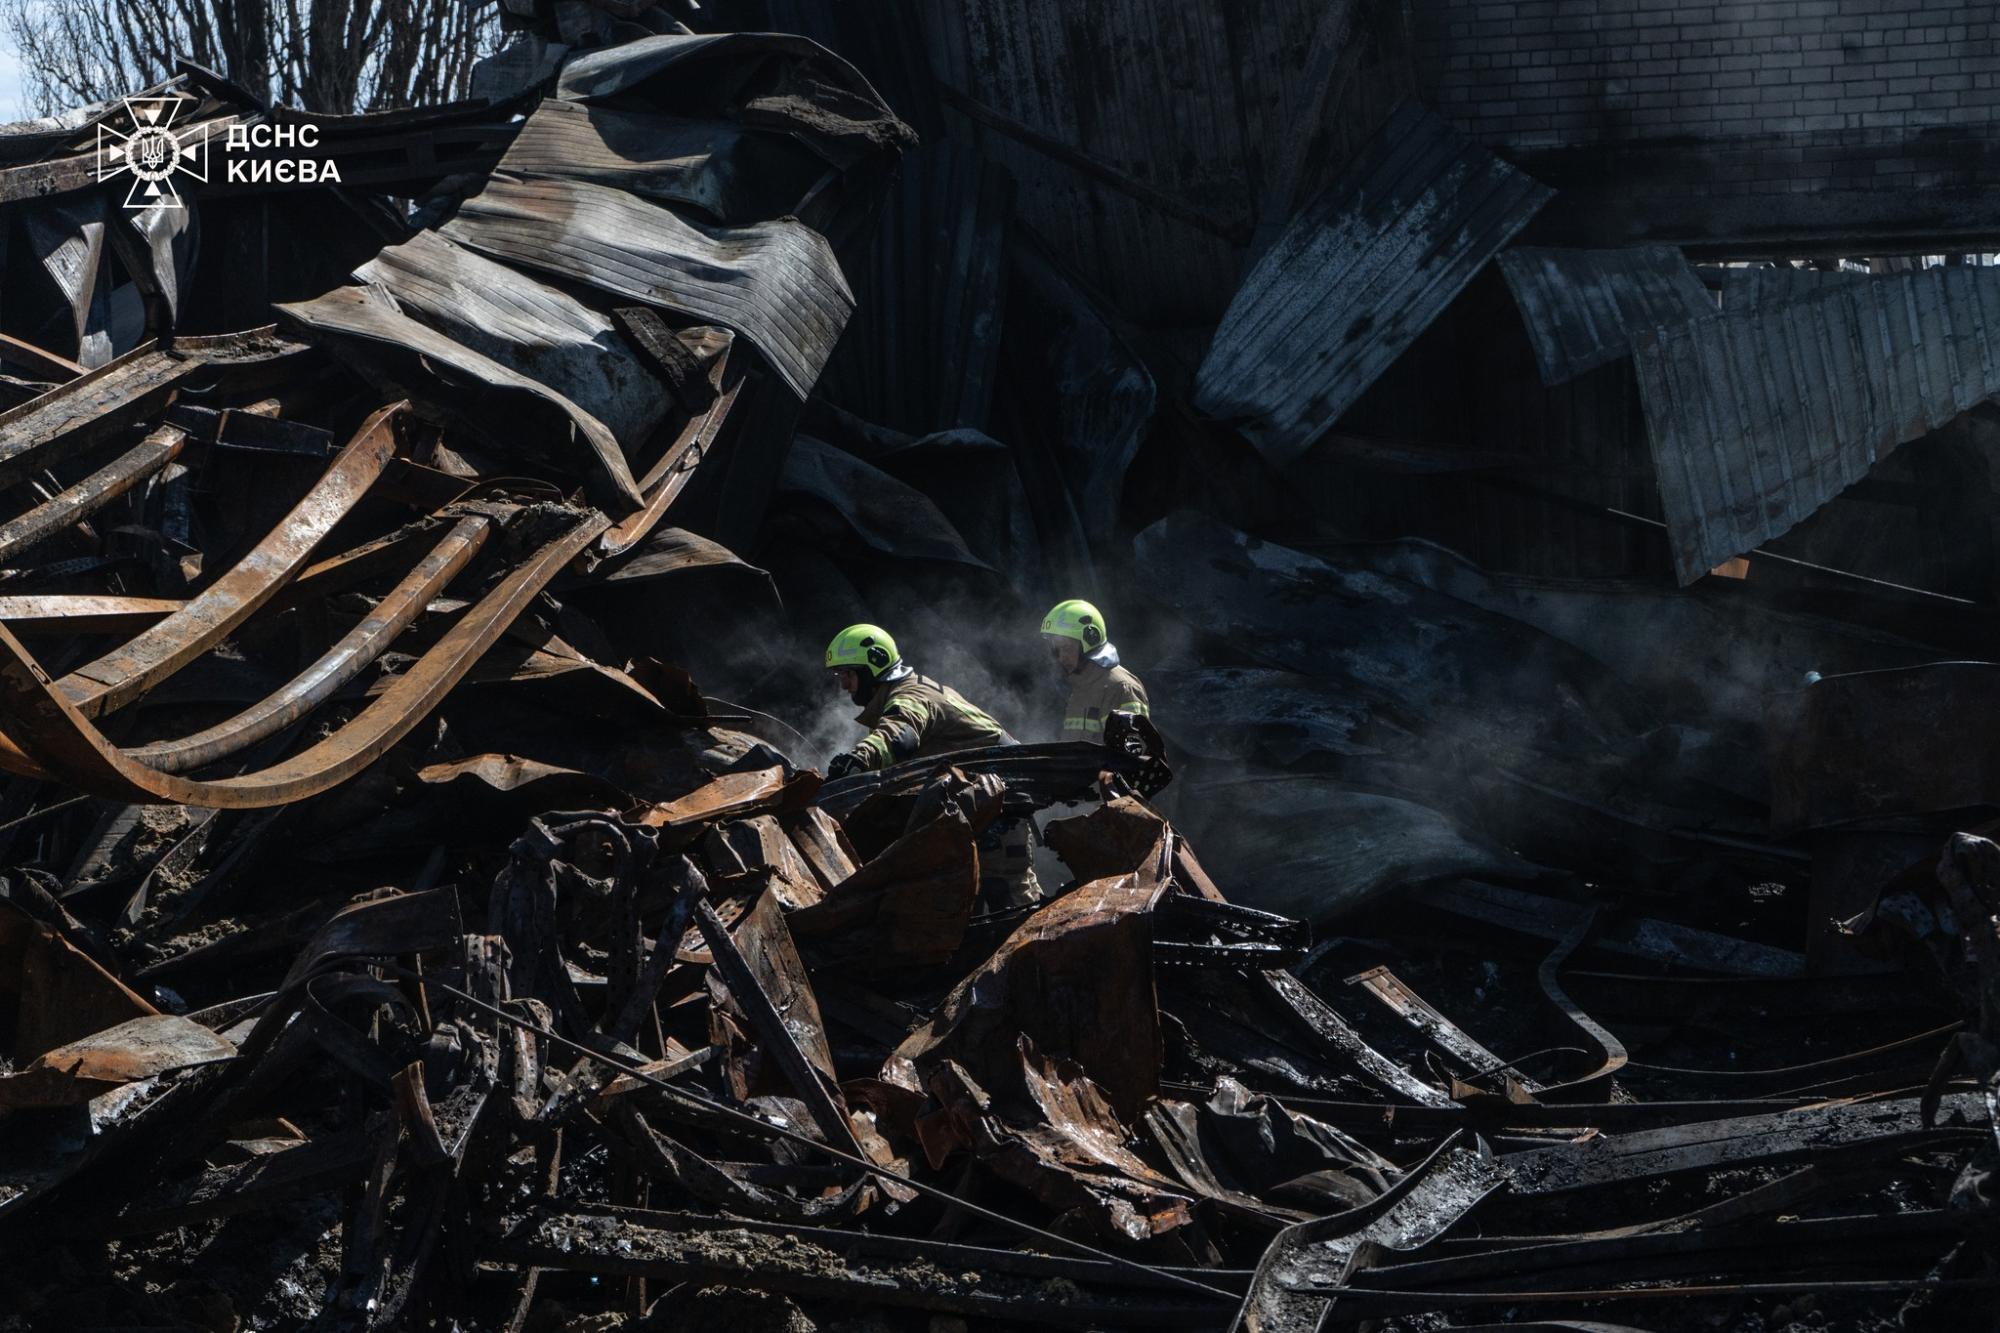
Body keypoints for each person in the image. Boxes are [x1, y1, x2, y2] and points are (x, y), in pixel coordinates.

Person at [821, 623, 1040, 906]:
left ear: (871, 667)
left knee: (1010, 898)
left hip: (1002, 806)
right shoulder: (906, 693)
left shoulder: (911, 696)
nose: (843, 684)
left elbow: (899, 736)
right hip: (985, 802)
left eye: (847, 674)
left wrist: (859, 759)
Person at [1040, 599, 1148, 744]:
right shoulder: (1080, 688)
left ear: (1090, 640)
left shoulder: (1121, 688)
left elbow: (1134, 752)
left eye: (1067, 648)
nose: (1061, 657)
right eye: (1057, 649)